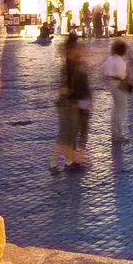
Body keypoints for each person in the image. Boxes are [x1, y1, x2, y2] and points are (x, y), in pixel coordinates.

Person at [51, 37, 92, 171]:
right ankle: (58, 162)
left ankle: (70, 161)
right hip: (71, 104)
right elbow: (66, 87)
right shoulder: (70, 66)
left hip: (75, 103)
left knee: (71, 134)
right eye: (78, 48)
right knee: (66, 134)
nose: (81, 50)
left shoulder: (76, 64)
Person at [103, 40, 133, 141]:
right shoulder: (120, 60)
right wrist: (126, 75)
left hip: (111, 83)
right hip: (119, 83)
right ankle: (118, 134)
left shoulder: (109, 59)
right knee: (121, 109)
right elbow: (121, 74)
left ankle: (114, 132)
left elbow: (104, 71)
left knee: (116, 109)